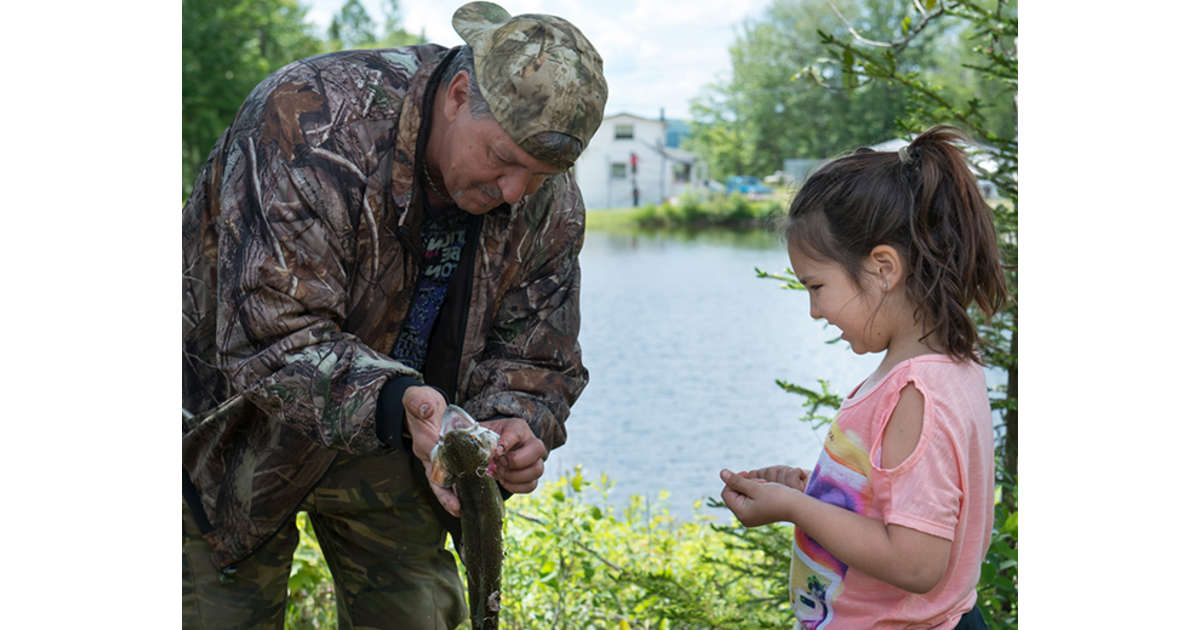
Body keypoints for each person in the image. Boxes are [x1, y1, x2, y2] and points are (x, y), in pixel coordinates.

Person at [181, 2, 607, 627]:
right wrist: (398, 400)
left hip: (404, 437)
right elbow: (269, 335)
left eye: (540, 174)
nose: (515, 192)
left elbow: (537, 353)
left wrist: (514, 419)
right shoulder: (309, 120)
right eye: (503, 159)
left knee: (418, 616)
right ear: (459, 95)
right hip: (233, 433)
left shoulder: (547, 199)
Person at [718, 125, 1007, 630]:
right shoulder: (948, 369)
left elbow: (917, 562)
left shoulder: (916, 394)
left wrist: (794, 509)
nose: (814, 310)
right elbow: (899, 507)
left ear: (882, 269)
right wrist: (823, 494)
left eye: (817, 286)